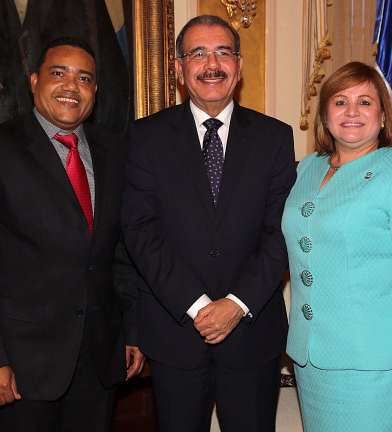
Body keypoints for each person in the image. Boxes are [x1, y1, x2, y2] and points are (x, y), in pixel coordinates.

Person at [0, 37, 145, 432]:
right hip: (22, 366)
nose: (71, 86)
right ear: (35, 81)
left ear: (94, 91)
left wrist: (132, 331)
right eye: (59, 73)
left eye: (84, 78)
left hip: (100, 360)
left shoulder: (116, 151)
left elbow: (121, 252)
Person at [121, 15, 296, 432]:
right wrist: (199, 306)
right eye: (198, 53)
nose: (211, 64)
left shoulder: (275, 137)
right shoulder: (145, 137)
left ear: (239, 64)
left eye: (222, 52)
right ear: (179, 68)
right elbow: (141, 231)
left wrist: (236, 303)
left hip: (252, 331)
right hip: (175, 332)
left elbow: (282, 231)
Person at [282, 61, 392, 431]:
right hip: (310, 358)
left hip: (376, 364)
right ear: (325, 116)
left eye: (365, 102)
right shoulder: (306, 168)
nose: (351, 111)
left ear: (383, 116)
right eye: (340, 101)